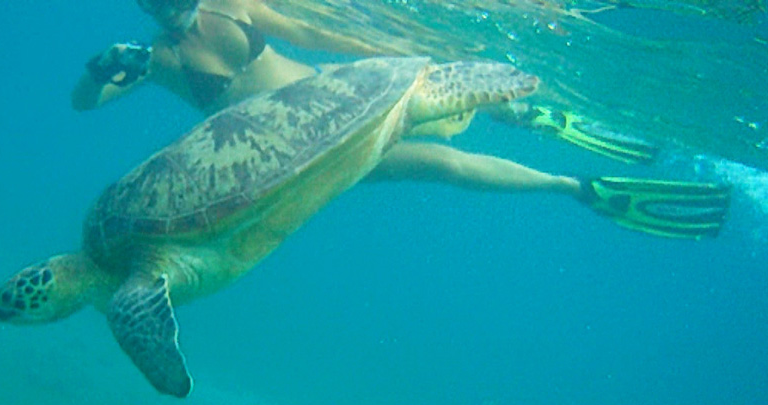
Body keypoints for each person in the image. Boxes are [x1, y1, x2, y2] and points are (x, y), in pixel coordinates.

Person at [70, 0, 728, 238]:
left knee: (445, 124)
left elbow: (317, 31)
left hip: (341, 96)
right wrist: (98, 70)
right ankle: (583, 190)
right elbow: (83, 105)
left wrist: (404, 50)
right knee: (446, 165)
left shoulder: (235, 7)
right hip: (308, 157)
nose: (167, 3)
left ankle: (530, 116)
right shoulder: (154, 59)